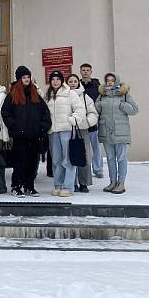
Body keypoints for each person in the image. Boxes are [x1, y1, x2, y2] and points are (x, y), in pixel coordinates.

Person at [2, 66, 51, 197]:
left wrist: (42, 127)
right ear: (19, 79)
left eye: (28, 77)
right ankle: (16, 186)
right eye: (24, 77)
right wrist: (14, 126)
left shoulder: (35, 94)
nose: (26, 79)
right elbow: (6, 113)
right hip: (20, 136)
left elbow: (45, 113)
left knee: (32, 163)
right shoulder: (12, 95)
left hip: (34, 135)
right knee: (19, 163)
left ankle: (29, 186)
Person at [95, 73, 138, 194]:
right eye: (107, 80)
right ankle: (113, 182)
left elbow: (134, 110)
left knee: (121, 158)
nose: (109, 82)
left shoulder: (124, 94)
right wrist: (98, 105)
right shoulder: (102, 95)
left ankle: (121, 183)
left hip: (121, 132)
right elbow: (96, 110)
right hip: (106, 131)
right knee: (110, 158)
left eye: (112, 80)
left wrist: (122, 105)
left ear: (116, 81)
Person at [45, 70, 85, 198]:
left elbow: (80, 109)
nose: (55, 82)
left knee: (67, 160)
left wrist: (72, 120)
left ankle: (68, 186)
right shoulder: (48, 95)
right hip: (53, 131)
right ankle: (58, 185)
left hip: (67, 130)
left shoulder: (70, 93)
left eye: (58, 79)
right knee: (56, 160)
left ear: (62, 81)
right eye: (53, 79)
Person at [66, 74, 99, 193]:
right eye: (70, 81)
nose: (73, 83)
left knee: (85, 157)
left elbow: (92, 112)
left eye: (75, 81)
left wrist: (88, 122)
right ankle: (72, 182)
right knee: (70, 156)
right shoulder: (64, 95)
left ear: (78, 83)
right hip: (68, 129)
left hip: (82, 129)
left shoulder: (85, 96)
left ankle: (84, 183)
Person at [80, 63, 104, 178]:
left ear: (91, 72)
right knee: (84, 148)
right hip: (82, 121)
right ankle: (84, 169)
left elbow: (101, 102)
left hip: (94, 121)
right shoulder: (77, 85)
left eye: (87, 70)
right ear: (80, 72)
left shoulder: (97, 86)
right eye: (83, 70)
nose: (85, 72)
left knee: (96, 147)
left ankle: (98, 169)